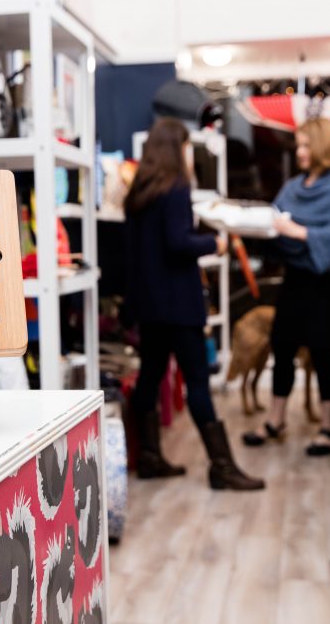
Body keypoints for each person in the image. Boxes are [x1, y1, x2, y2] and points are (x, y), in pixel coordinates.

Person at [124, 117, 264, 491]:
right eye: (187, 147)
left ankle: (149, 458)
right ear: (178, 149)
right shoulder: (176, 188)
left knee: (150, 379)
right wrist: (214, 244)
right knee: (198, 384)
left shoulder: (139, 192)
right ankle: (222, 467)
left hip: (151, 306)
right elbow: (178, 243)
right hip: (179, 305)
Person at [243, 118, 330, 455]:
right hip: (295, 279)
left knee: (322, 352)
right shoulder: (292, 187)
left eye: (306, 145)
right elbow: (273, 223)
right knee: (283, 345)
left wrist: (300, 234)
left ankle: (328, 426)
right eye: (299, 145)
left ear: (322, 147)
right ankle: (276, 421)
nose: (300, 151)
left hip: (326, 284)